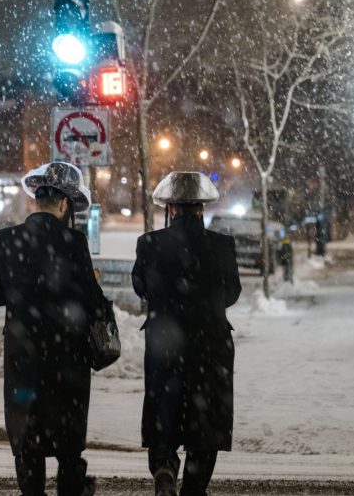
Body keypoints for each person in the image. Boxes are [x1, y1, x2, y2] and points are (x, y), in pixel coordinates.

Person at [0, 162, 104, 496]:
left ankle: (32, 490)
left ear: (37, 200)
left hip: (23, 360)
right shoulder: (74, 242)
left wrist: (18, 294)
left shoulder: (4, 240)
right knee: (68, 439)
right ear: (63, 203)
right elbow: (90, 301)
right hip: (68, 359)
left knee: (28, 435)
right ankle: (71, 487)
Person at [131, 172, 241, 496]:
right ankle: (194, 485)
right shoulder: (222, 245)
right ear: (201, 209)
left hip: (165, 341)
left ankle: (164, 465)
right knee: (205, 416)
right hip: (211, 345)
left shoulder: (149, 243)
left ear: (171, 209)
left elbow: (140, 287)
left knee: (164, 406)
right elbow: (232, 293)